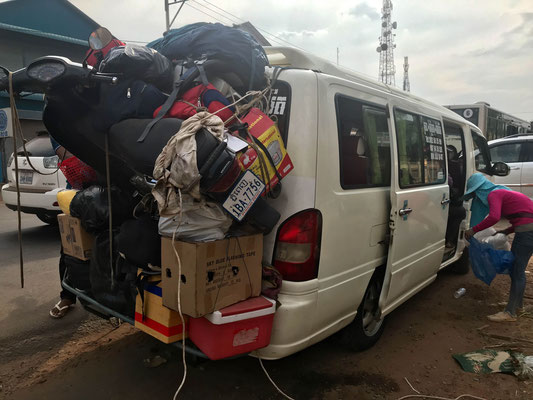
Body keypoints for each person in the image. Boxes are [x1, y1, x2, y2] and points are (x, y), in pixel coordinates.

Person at [464, 173, 533, 322]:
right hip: (527, 229)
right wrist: (507, 231)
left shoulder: (493, 194)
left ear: (480, 190)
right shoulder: (503, 192)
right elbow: (523, 215)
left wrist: (473, 230)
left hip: (527, 232)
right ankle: (516, 305)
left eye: (476, 193)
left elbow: (494, 217)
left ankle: (510, 313)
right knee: (517, 269)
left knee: (517, 270)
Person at [49, 136, 76, 318]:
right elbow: (68, 157)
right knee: (69, 249)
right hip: (75, 193)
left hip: (105, 189)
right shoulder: (59, 127)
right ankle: (67, 295)